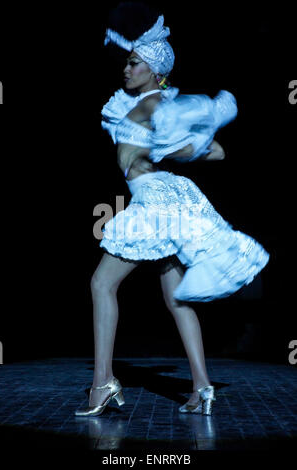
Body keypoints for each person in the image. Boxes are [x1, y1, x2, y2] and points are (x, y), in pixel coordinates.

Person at [75, 3, 269, 418]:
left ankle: (102, 384)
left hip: (155, 202)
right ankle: (202, 387)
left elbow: (196, 148)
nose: (126, 70)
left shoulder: (149, 105)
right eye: (127, 63)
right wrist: (182, 148)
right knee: (176, 299)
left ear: (152, 70)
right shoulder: (154, 105)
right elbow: (215, 151)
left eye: (134, 64)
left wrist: (169, 145)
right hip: (170, 198)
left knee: (101, 284)